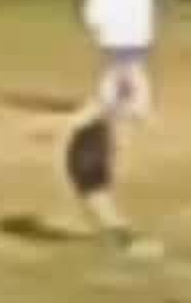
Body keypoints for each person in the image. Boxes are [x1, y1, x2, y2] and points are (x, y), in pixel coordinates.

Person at [61, 104, 160, 256]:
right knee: (99, 204)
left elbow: (77, 125)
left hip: (87, 161)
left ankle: (127, 240)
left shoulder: (98, 115)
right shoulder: (106, 117)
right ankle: (123, 237)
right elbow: (117, 142)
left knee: (99, 203)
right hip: (91, 160)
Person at [82, 0, 157, 121]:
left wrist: (94, 25)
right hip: (137, 36)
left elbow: (94, 8)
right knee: (134, 69)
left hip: (113, 35)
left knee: (115, 70)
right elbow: (146, 9)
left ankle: (109, 102)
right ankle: (139, 105)